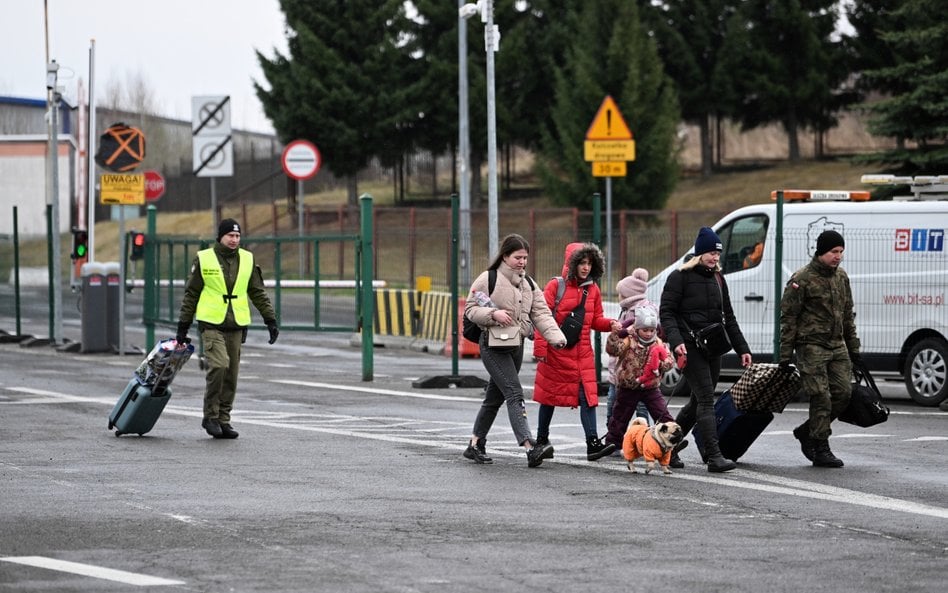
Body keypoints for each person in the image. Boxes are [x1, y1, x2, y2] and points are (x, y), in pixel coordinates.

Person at [463, 233, 567, 468]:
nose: (522, 262)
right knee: (514, 392)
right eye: (517, 257)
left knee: (494, 397)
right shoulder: (488, 279)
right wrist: (493, 314)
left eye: (525, 258)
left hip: (515, 344)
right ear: (505, 256)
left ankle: (475, 444)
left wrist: (557, 338)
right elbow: (470, 309)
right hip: (492, 344)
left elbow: (541, 313)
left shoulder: (528, 283)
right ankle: (530, 446)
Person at [176, 219, 279, 439]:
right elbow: (191, 294)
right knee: (220, 366)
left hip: (236, 325)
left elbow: (257, 292)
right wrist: (183, 326)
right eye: (230, 236)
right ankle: (210, 416)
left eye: (237, 236)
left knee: (232, 374)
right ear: (220, 237)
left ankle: (224, 419)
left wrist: (270, 319)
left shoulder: (247, 259)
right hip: (211, 324)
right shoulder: (204, 259)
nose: (234, 240)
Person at [660, 227, 752, 472]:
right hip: (689, 348)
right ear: (699, 253)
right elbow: (667, 313)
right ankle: (714, 456)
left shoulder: (718, 279)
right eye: (711, 252)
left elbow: (728, 318)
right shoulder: (679, 277)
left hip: (713, 347)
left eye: (718, 254)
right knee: (706, 400)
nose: (714, 258)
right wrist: (676, 341)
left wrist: (742, 348)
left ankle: (668, 447)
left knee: (696, 401)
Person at [533, 242, 620, 461]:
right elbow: (542, 318)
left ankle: (592, 444)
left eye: (589, 263)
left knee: (588, 397)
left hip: (582, 354)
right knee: (549, 396)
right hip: (557, 351)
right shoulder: (556, 286)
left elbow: (595, 320)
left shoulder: (593, 289)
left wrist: (611, 324)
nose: (585, 267)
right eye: (581, 262)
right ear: (572, 263)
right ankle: (542, 439)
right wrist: (541, 348)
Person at [780, 230, 860, 468]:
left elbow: (847, 315)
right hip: (810, 346)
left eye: (841, 252)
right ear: (821, 252)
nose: (838, 256)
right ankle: (820, 446)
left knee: (844, 393)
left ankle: (808, 430)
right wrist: (785, 355)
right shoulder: (802, 278)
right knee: (820, 396)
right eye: (833, 252)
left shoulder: (841, 277)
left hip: (837, 345)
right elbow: (788, 317)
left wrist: (854, 348)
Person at [603, 303, 677, 449]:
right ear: (637, 329)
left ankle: (672, 446)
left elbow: (669, 359)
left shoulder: (658, 343)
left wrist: (661, 365)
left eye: (651, 330)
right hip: (629, 386)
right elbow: (613, 350)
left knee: (663, 414)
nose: (648, 333)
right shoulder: (629, 340)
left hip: (651, 387)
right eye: (645, 330)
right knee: (619, 417)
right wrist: (615, 334)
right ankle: (612, 443)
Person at [606, 269, 654, 425]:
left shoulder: (639, 313)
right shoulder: (630, 310)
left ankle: (613, 434)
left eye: (620, 293)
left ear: (627, 295)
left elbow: (624, 337)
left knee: (615, 405)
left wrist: (621, 331)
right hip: (635, 371)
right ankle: (641, 437)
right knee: (640, 408)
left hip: (629, 370)